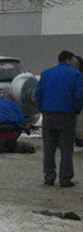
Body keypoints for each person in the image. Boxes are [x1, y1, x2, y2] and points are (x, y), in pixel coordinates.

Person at [35, 50, 83, 187]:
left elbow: (38, 94)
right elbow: (78, 96)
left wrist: (42, 108)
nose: (76, 62)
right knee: (66, 148)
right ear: (68, 60)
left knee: (49, 148)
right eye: (73, 59)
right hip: (67, 115)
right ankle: (65, 178)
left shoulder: (46, 74)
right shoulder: (76, 75)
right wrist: (76, 110)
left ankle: (49, 177)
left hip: (48, 115)